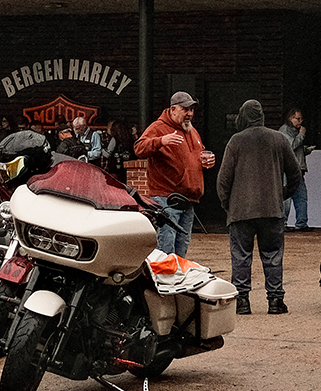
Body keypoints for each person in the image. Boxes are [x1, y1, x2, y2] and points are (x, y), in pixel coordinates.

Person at [217, 100, 301, 315]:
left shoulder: (236, 141)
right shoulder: (278, 139)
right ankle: (275, 301)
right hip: (272, 209)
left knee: (241, 256)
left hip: (240, 211)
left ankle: (242, 301)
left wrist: (228, 204)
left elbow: (223, 179)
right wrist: (282, 194)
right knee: (273, 255)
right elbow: (295, 173)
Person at [133, 92, 215, 257]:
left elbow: (196, 157)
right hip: (167, 199)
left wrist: (205, 161)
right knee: (166, 249)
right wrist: (160, 141)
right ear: (173, 109)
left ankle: (177, 280)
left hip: (189, 200)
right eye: (185, 109)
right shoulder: (158, 127)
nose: (190, 114)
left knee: (181, 249)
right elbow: (139, 148)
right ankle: (165, 281)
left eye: (192, 109)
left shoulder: (192, 131)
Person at [280, 109, 311, 231]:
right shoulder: (284, 130)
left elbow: (296, 149)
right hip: (288, 169)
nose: (300, 121)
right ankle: (283, 224)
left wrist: (306, 150)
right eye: (297, 119)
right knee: (286, 197)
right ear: (290, 118)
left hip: (298, 168)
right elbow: (291, 146)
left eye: (301, 119)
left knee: (301, 196)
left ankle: (302, 223)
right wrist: (302, 134)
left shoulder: (293, 131)